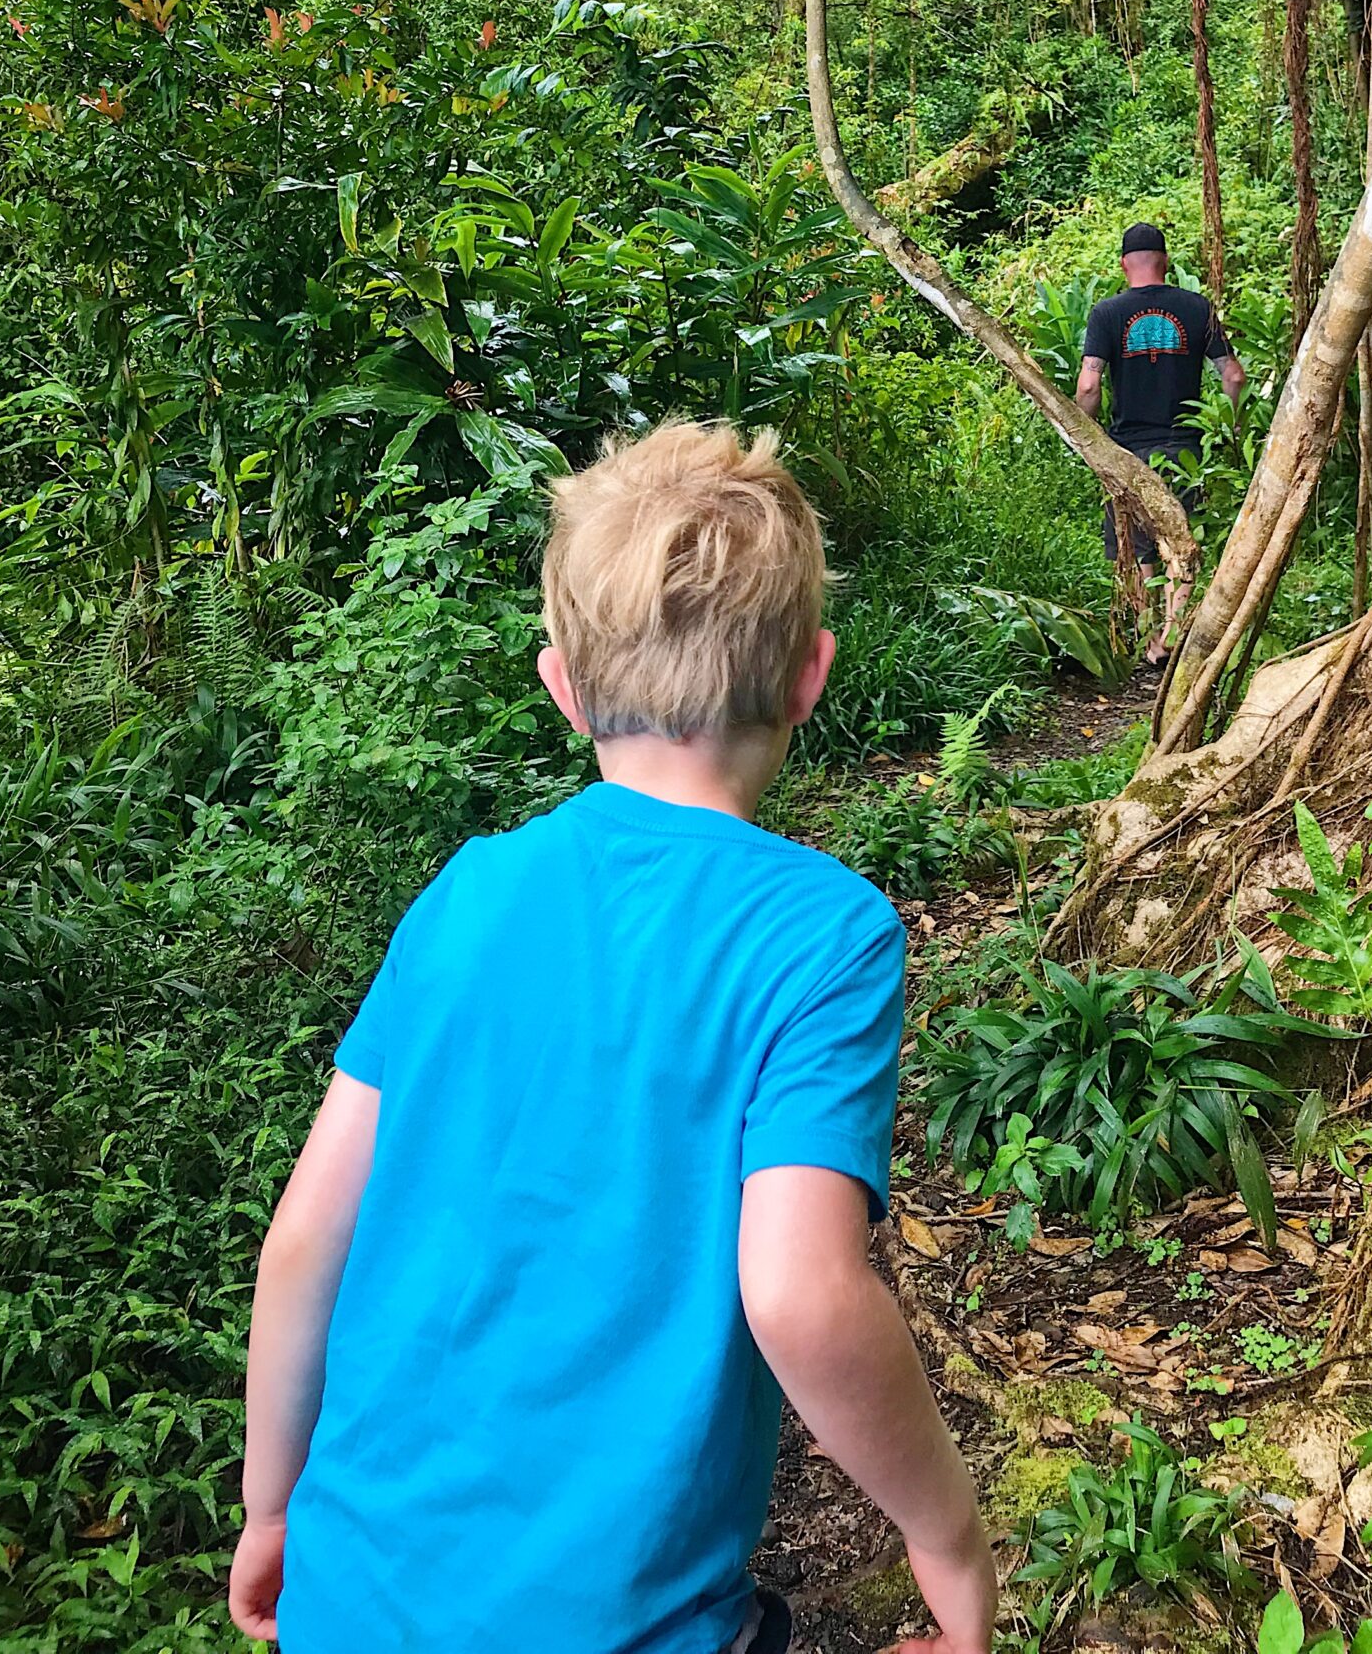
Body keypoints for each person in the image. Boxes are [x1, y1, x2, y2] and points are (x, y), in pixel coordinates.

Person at [226, 420, 995, 1654]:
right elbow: (799, 1289)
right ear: (812, 673)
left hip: (350, 1594)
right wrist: (945, 1534)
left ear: (563, 684)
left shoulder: (468, 891)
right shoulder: (823, 935)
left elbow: (308, 1236)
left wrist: (273, 1504)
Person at [1076, 221, 1245, 660]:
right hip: (1185, 448)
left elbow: (1089, 386)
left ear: (1123, 265)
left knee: (1133, 543)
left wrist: (1088, 435)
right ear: (1165, 263)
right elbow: (1233, 375)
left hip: (1127, 449)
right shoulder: (1196, 308)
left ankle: (1150, 637)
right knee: (1180, 539)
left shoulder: (1107, 314)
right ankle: (1173, 634)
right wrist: (1228, 427)